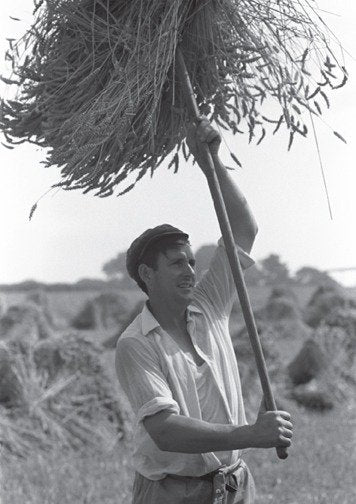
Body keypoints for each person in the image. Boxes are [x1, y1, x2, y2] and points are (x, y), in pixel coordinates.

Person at [115, 117, 293, 504]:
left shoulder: (209, 306)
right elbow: (166, 430)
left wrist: (211, 161)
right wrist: (251, 433)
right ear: (148, 274)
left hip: (234, 486)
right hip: (173, 493)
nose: (191, 271)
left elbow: (243, 229)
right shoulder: (136, 344)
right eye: (178, 263)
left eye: (192, 261)